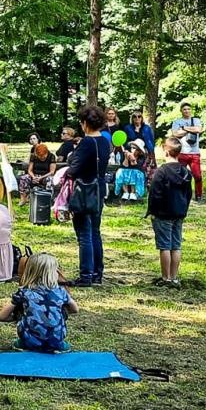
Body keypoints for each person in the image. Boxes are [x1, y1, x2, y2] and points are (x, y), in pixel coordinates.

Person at [62, 103, 111, 286]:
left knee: (84, 233)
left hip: (84, 189)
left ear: (84, 123)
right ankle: (97, 274)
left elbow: (73, 170)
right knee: (95, 232)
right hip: (99, 188)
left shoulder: (87, 143)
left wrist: (70, 162)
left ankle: (86, 275)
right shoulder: (105, 142)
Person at [0, 253, 78, 353]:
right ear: (52, 274)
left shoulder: (24, 293)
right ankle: (59, 345)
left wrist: (16, 306)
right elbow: (75, 309)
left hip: (29, 341)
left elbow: (2, 317)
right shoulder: (61, 292)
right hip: (56, 341)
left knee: (23, 311)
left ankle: (23, 343)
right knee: (59, 310)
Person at [147, 136, 193, 286]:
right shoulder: (186, 172)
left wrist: (152, 212)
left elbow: (154, 194)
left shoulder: (161, 172)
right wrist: (184, 210)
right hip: (179, 213)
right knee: (176, 245)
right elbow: (188, 194)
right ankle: (174, 277)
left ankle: (166, 278)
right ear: (178, 153)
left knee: (165, 246)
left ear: (165, 151)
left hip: (163, 214)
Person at [172, 101, 205, 199]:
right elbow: (175, 134)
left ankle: (199, 195)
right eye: (184, 109)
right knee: (181, 176)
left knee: (197, 176)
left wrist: (184, 128)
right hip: (182, 152)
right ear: (181, 111)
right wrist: (190, 130)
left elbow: (199, 129)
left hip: (195, 153)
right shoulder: (177, 121)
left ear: (191, 110)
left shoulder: (196, 120)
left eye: (188, 109)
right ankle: (181, 195)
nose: (187, 111)